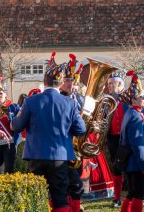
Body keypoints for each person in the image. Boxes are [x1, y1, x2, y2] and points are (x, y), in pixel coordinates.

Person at [11, 51, 87, 212]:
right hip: (60, 156)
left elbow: (16, 126)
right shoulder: (70, 103)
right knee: (60, 198)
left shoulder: (30, 101)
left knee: (39, 196)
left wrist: (13, 120)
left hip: (36, 155)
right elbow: (81, 129)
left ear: (44, 82)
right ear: (60, 84)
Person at [119, 71, 144, 212]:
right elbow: (137, 143)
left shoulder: (132, 113)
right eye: (142, 97)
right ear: (133, 100)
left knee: (132, 194)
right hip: (137, 164)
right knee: (138, 195)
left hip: (132, 163)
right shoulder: (135, 116)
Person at [59, 54, 85, 212]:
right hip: (63, 147)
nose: (70, 83)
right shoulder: (58, 98)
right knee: (71, 184)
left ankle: (73, 206)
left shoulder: (79, 98)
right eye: (66, 80)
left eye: (71, 80)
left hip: (77, 147)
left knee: (76, 183)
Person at [0, 74, 22, 174]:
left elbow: (20, 120)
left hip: (9, 143)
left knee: (8, 169)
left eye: (1, 93)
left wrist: (14, 123)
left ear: (5, 95)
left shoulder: (13, 107)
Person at [106, 70, 129, 207]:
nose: (109, 86)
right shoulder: (106, 100)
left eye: (112, 83)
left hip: (127, 138)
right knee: (116, 167)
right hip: (112, 138)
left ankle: (131, 196)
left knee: (130, 167)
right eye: (108, 84)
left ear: (120, 85)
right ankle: (116, 197)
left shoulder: (129, 98)